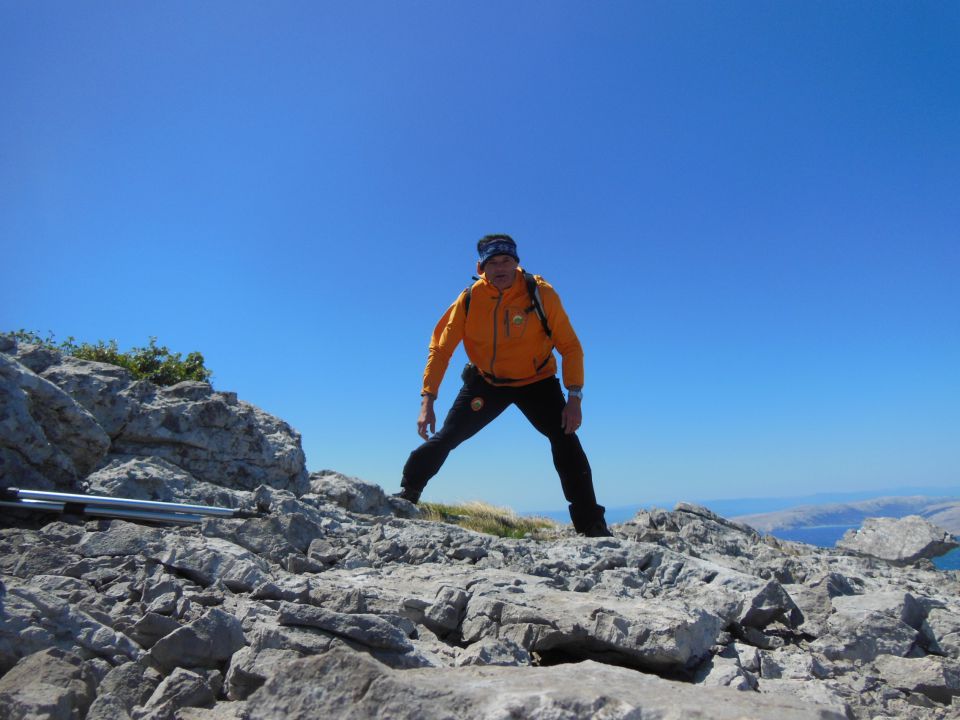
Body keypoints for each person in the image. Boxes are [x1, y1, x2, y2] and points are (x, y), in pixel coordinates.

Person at [396, 234, 612, 537]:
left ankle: (591, 523)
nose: (500, 268)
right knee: (448, 436)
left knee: (565, 439)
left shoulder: (540, 293)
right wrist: (427, 400)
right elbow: (441, 349)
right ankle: (408, 493)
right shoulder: (470, 299)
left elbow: (570, 346)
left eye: (506, 261)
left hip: (537, 382)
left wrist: (574, 397)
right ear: (480, 266)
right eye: (492, 262)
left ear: (516, 262)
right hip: (488, 382)